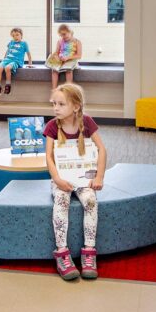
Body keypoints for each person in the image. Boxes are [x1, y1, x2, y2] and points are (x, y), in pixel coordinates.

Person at [44, 83, 107, 281]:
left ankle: (89, 252)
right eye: (54, 103)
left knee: (90, 201)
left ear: (76, 106)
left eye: (61, 104)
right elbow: (49, 157)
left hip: (84, 180)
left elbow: (102, 150)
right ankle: (62, 253)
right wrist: (57, 180)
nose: (56, 108)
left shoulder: (87, 122)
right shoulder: (53, 126)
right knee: (61, 201)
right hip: (61, 180)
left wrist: (99, 177)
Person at [0, 27, 32, 95]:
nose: (15, 37)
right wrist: (4, 59)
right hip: (7, 59)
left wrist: (30, 64)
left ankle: (8, 85)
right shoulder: (11, 42)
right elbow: (7, 51)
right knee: (0, 67)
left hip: (16, 61)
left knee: (7, 68)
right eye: (13, 36)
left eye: (17, 35)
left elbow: (28, 54)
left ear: (21, 35)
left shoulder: (24, 43)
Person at [46, 24, 82, 88]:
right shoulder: (60, 41)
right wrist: (57, 56)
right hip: (61, 59)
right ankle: (54, 88)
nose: (63, 36)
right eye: (61, 35)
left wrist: (67, 58)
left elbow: (79, 55)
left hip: (71, 59)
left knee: (68, 70)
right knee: (54, 70)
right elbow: (57, 52)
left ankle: (69, 88)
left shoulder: (77, 42)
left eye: (64, 34)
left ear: (70, 32)